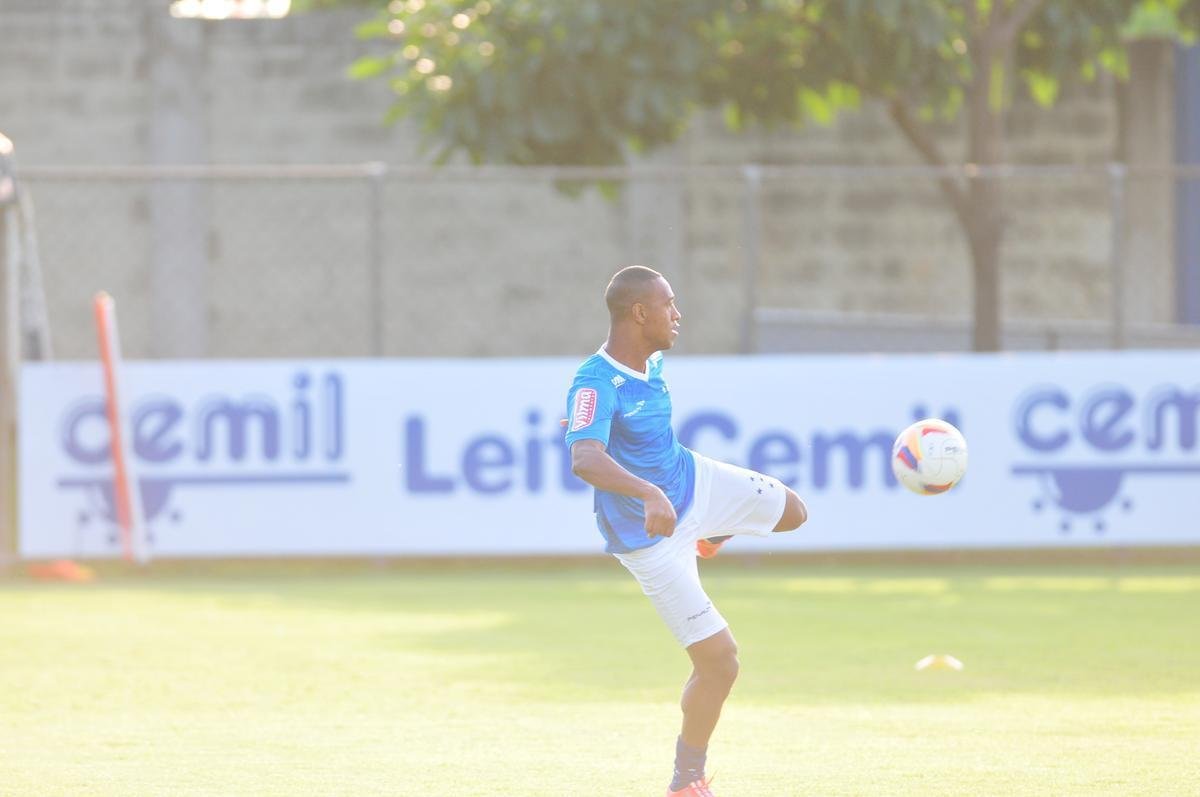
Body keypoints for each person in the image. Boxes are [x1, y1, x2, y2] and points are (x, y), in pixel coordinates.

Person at [564, 265, 808, 797]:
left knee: (794, 512)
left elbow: (598, 433)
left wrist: (678, 496)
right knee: (721, 662)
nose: (678, 314)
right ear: (639, 313)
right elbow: (585, 458)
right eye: (669, 304)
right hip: (649, 538)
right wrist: (647, 492)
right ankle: (686, 777)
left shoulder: (651, 361)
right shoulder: (595, 380)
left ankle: (713, 533)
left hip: (693, 481)